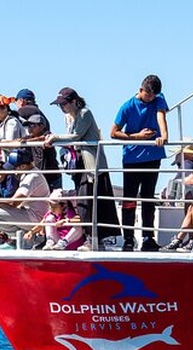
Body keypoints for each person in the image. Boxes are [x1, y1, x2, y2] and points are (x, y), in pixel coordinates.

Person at [45, 87, 120, 250]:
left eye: (64, 104)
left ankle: (94, 239)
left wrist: (54, 138)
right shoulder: (68, 118)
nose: (62, 108)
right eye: (60, 105)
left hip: (92, 165)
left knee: (91, 202)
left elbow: (76, 136)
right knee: (82, 203)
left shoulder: (85, 113)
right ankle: (89, 238)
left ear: (74, 101)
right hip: (78, 165)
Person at [110, 74, 169, 252]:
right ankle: (128, 238)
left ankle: (147, 237)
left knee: (148, 197)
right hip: (132, 158)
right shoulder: (127, 107)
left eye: (153, 96)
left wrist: (164, 135)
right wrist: (137, 137)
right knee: (129, 199)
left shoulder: (159, 99)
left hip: (152, 156)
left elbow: (161, 116)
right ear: (140, 90)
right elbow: (113, 132)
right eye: (148, 95)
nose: (150, 99)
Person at [0, 148, 50, 248]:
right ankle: (18, 236)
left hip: (34, 218)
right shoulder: (31, 173)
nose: (13, 171)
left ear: (23, 166)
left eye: (15, 168)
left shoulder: (32, 177)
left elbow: (13, 203)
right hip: (32, 214)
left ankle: (16, 237)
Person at [160, 145, 193, 252]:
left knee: (192, 206)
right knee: (192, 207)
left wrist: (175, 183)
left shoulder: (186, 163)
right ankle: (186, 238)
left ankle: (182, 239)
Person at [20, 114, 61, 191]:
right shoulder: (30, 138)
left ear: (41, 126)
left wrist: (26, 141)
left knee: (55, 200)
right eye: (28, 126)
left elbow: (44, 138)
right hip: (38, 177)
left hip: (51, 177)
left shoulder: (48, 135)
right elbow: (19, 140)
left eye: (32, 125)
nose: (29, 128)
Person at [0, 95, 25, 164]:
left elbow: (9, 145)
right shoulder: (3, 124)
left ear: (5, 108)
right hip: (10, 162)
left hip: (16, 163)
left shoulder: (12, 122)